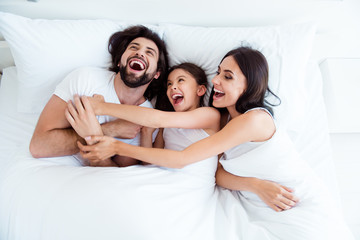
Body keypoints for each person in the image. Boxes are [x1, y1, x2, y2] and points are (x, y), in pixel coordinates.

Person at [75, 46, 353, 239]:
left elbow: (182, 155)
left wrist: (107, 120)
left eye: (228, 77)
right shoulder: (225, 124)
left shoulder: (254, 120)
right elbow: (218, 173)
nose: (217, 81)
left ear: (250, 85)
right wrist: (255, 185)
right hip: (262, 202)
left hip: (295, 200)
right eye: (219, 72)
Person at [67, 61, 298, 212]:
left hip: (185, 178)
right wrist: (147, 133)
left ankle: (94, 136)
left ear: (200, 90)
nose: (172, 87)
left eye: (180, 81)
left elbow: (157, 119)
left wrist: (102, 108)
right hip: (164, 172)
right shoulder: (169, 126)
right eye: (169, 84)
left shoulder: (209, 115)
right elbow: (152, 158)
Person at [29, 25, 168, 167]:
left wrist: (93, 135)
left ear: (157, 73)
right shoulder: (85, 79)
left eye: (149, 52)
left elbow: (116, 174)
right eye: (133, 47)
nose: (140, 53)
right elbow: (39, 146)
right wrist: (109, 130)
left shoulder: (145, 118)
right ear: (120, 61)